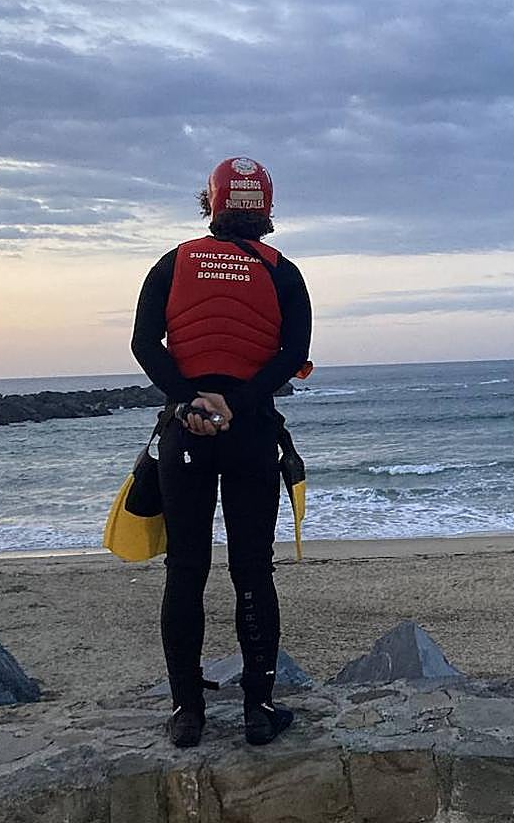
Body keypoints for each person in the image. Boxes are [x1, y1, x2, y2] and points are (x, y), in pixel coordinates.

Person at [131, 156, 312, 747]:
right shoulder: (284, 272)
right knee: (253, 572)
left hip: (186, 433)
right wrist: (240, 402)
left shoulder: (173, 262)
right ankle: (259, 711)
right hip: (252, 433)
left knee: (185, 571)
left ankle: (188, 714)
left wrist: (190, 401)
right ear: (266, 211)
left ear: (210, 205)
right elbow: (293, 354)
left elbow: (144, 342)